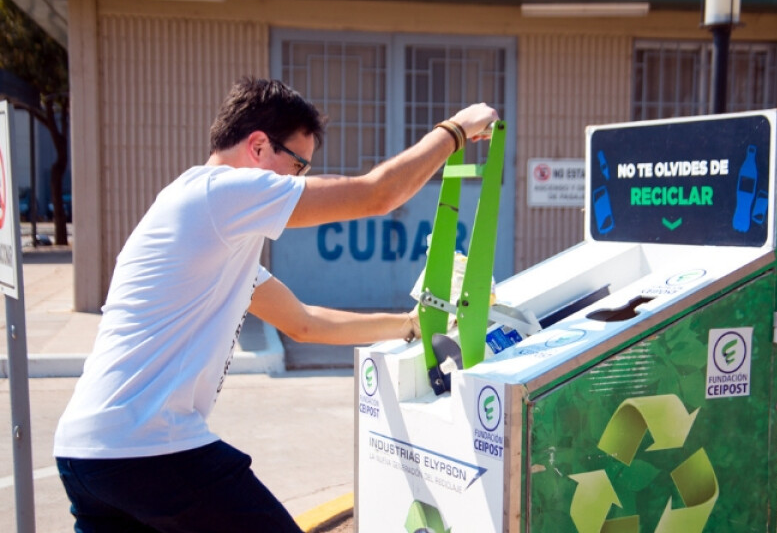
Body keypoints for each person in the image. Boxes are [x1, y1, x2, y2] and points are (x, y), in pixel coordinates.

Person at [53, 77, 499, 532]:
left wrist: (408, 325)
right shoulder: (221, 194)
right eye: (298, 165)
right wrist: (456, 130)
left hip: (85, 455)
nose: (299, 180)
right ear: (258, 146)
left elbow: (304, 323)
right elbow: (376, 195)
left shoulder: (209, 226)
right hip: (148, 448)